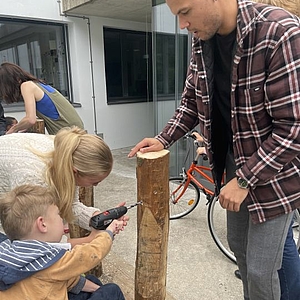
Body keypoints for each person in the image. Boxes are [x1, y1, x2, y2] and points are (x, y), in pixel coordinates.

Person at [128, 0, 300, 299]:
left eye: (185, 12)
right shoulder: (202, 39)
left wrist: (245, 179)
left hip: (275, 169)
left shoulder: (279, 31)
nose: (182, 25)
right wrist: (163, 138)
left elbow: (294, 127)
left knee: (261, 268)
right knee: (241, 253)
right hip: (232, 163)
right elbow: (192, 102)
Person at [0, 126, 127, 245]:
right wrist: (90, 240)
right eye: (94, 182)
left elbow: (72, 205)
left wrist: (98, 218)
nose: (96, 186)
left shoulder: (69, 153)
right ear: (75, 171)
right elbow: (38, 244)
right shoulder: (33, 178)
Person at [0, 184, 126, 300]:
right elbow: (90, 254)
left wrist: (97, 289)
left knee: (90, 281)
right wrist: (109, 232)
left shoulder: (12, 253)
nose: (62, 219)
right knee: (112, 291)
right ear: (42, 224)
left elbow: (58, 277)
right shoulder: (51, 260)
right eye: (59, 215)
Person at [0, 62, 84, 135]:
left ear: (15, 80)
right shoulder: (36, 83)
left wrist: (13, 130)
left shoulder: (26, 86)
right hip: (75, 127)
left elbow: (30, 119)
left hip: (68, 131)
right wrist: (23, 126)